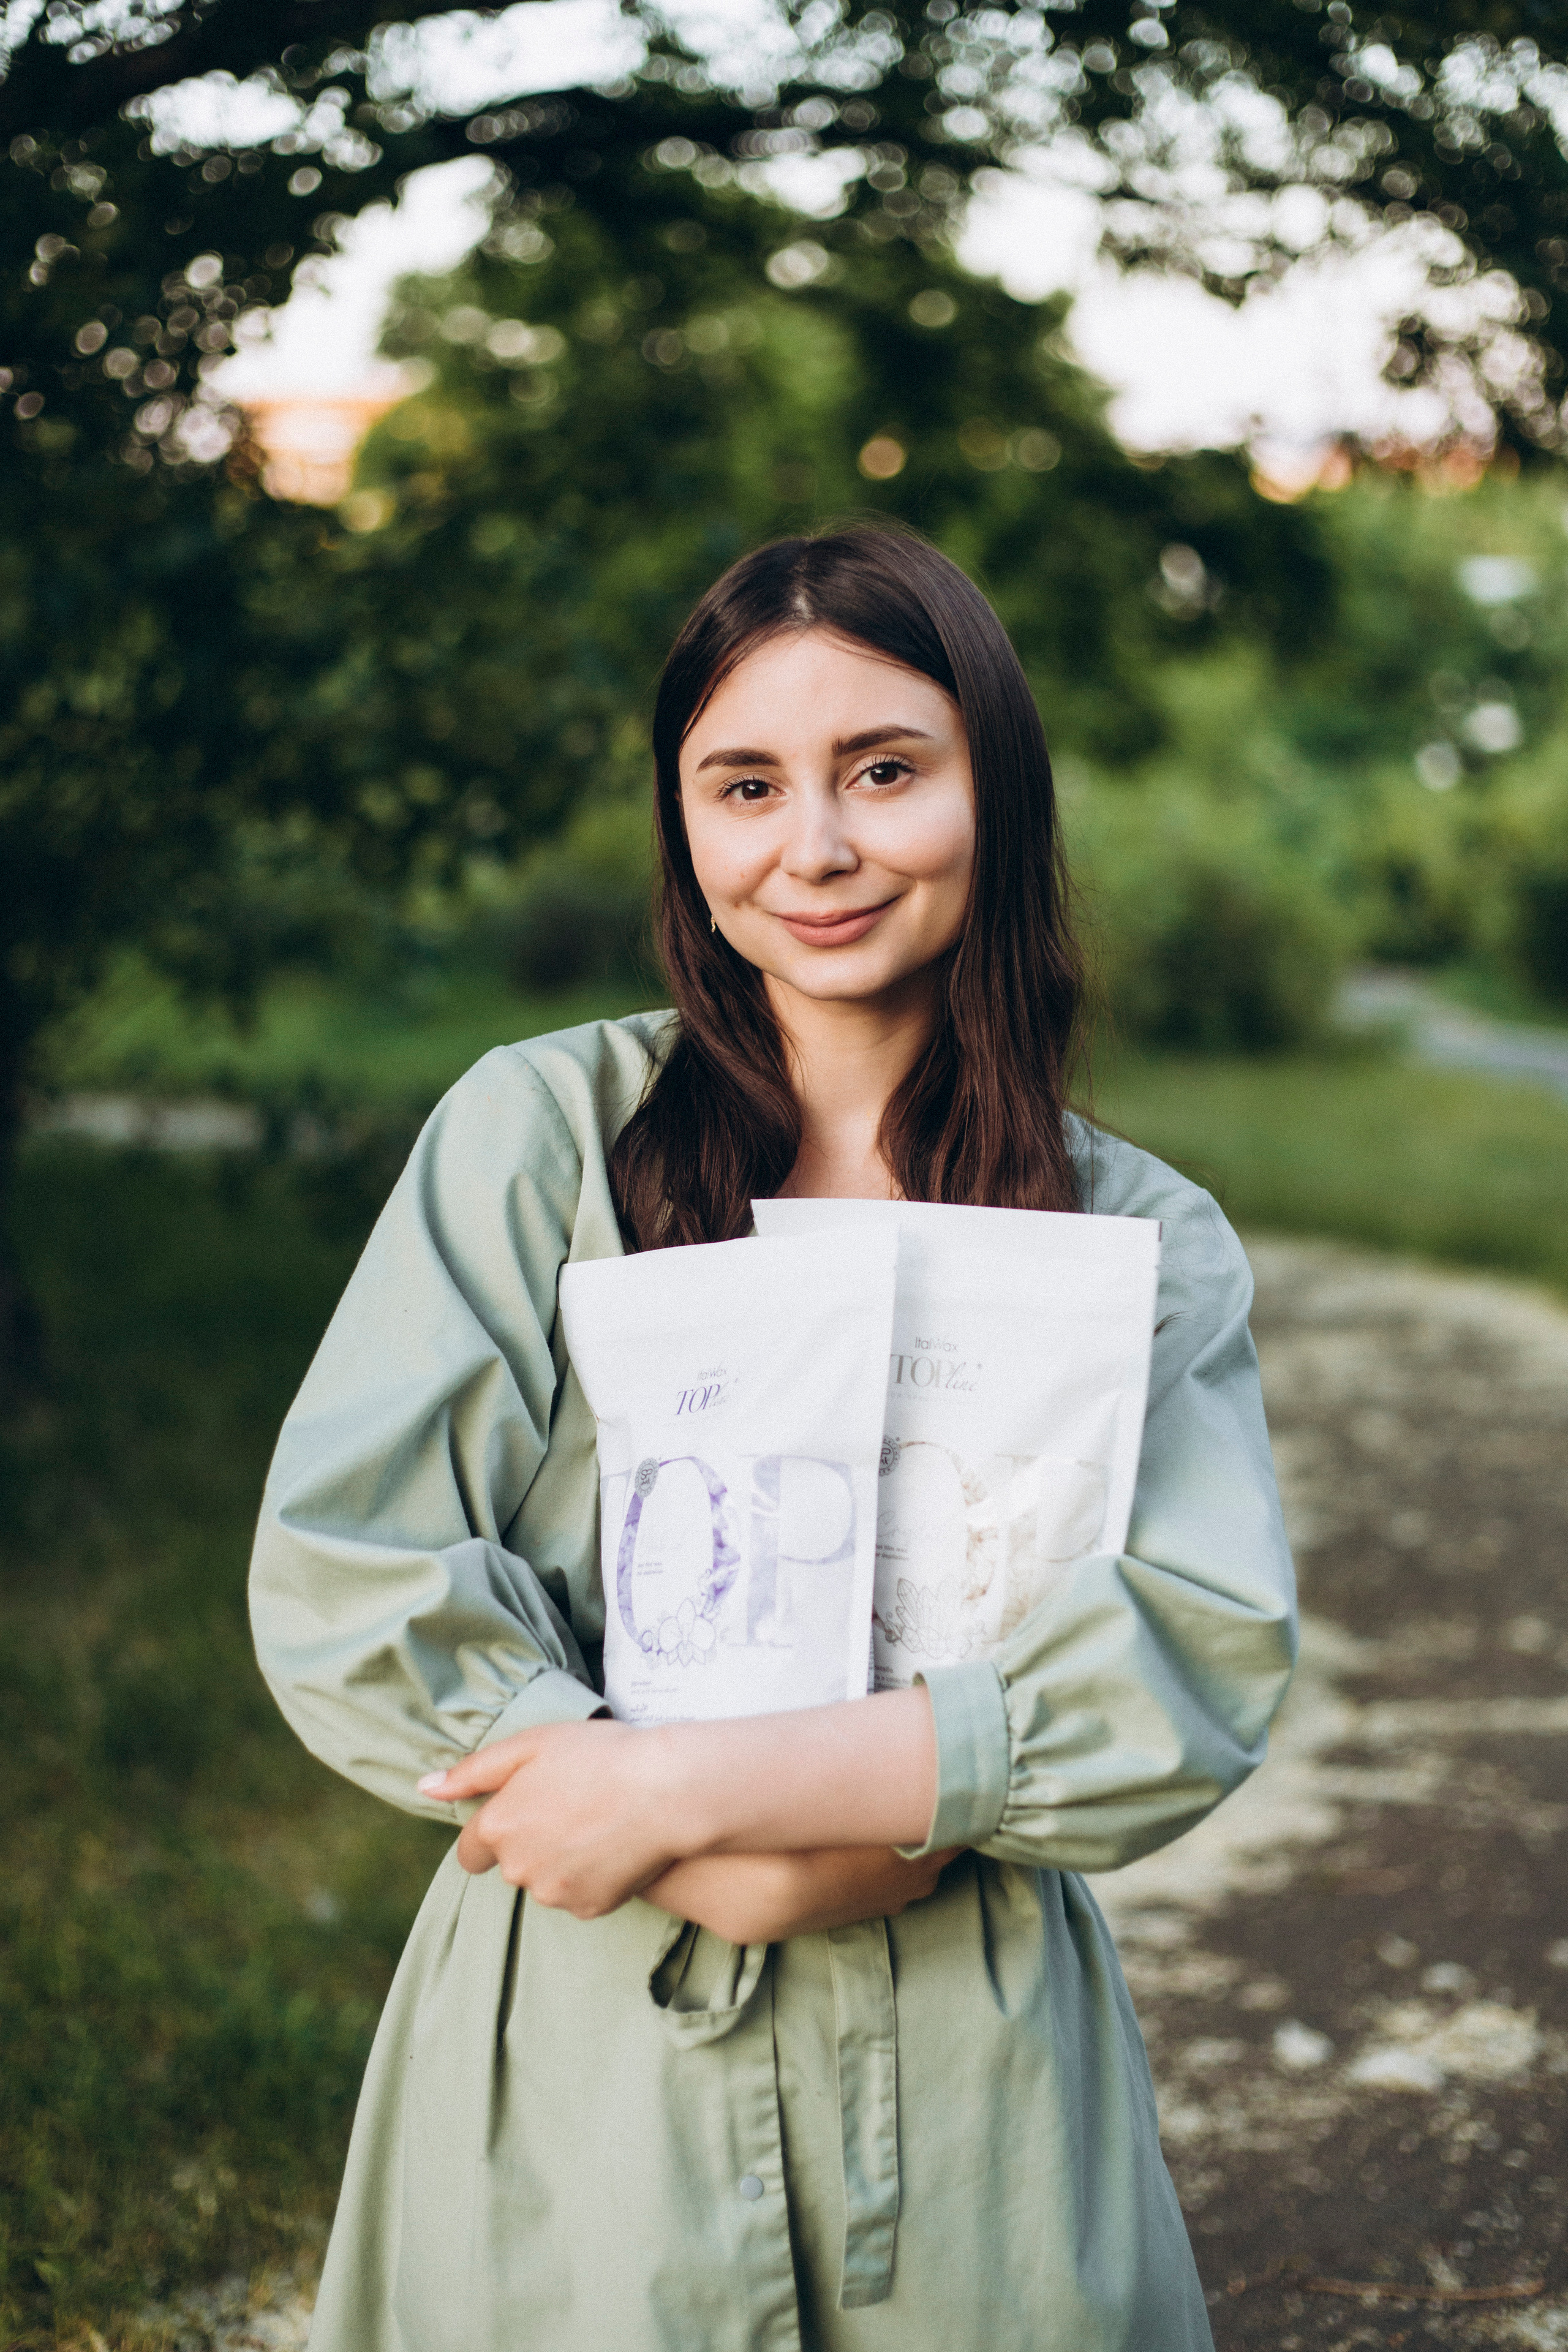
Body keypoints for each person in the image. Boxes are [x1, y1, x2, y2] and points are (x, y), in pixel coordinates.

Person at [250, 525, 1297, 2352]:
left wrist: (692, 1794)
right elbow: (360, 1558)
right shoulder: (540, 1134)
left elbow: (1179, 1666)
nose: (813, 847)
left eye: (884, 771)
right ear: (687, 828)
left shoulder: (1136, 1241)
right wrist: (654, 1814)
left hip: (972, 2064)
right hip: (575, 2007)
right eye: (746, 786)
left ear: (999, 789)